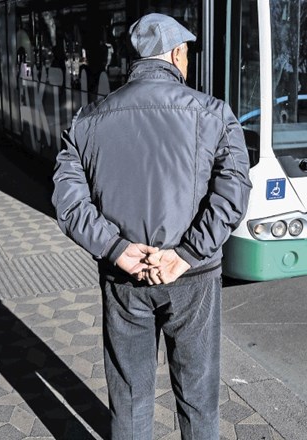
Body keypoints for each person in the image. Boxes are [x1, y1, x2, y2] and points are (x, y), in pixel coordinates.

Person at [52, 13, 252, 439]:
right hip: (192, 278)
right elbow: (233, 191)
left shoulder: (87, 120)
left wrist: (117, 249)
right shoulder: (214, 113)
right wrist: (188, 253)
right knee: (198, 398)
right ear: (178, 54)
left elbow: (68, 201)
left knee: (129, 397)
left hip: (123, 278)